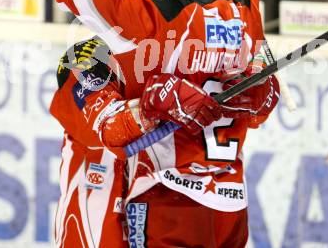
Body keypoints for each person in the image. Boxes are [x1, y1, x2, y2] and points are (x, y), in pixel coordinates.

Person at [44, 0, 280, 247]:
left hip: (165, 198)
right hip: (215, 203)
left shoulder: (147, 21)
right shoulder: (238, 3)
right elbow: (111, 133)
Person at [50, 34, 227, 247]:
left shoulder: (188, 57)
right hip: (93, 229)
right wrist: (151, 105)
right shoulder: (86, 55)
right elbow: (111, 129)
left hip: (160, 220)